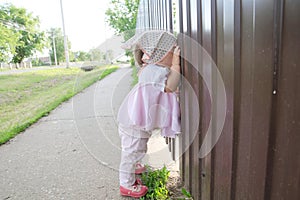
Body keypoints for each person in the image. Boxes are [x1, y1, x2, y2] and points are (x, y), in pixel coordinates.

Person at [117, 30, 181, 198]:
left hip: (136, 121)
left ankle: (134, 164)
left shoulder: (155, 69)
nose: (176, 52)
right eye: (172, 50)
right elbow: (170, 87)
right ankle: (126, 183)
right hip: (133, 122)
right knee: (131, 151)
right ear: (159, 54)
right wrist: (176, 65)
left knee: (139, 147)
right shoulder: (153, 71)